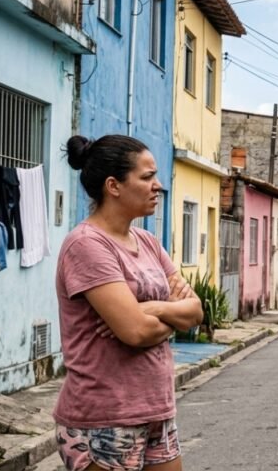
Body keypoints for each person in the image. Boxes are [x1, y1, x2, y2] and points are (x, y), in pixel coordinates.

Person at [54, 134, 203, 471]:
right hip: (105, 417)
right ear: (114, 186)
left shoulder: (148, 242)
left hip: (156, 410)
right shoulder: (87, 246)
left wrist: (153, 309)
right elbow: (134, 332)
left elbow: (195, 311)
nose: (158, 186)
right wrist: (163, 315)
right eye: (147, 177)